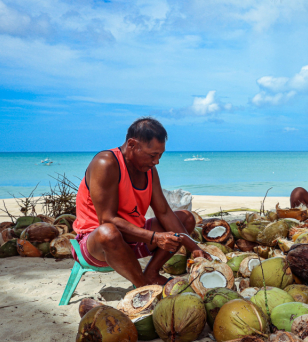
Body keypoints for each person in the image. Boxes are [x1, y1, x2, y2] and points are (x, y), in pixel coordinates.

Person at [72, 117, 209, 287]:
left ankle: (151, 274)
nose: (156, 161)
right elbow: (107, 220)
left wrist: (194, 247)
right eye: (153, 155)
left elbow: (164, 212)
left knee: (187, 218)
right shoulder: (106, 163)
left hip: (134, 238)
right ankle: (143, 286)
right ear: (131, 145)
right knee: (108, 232)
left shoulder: (150, 170)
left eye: (160, 155)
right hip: (98, 246)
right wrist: (155, 237)